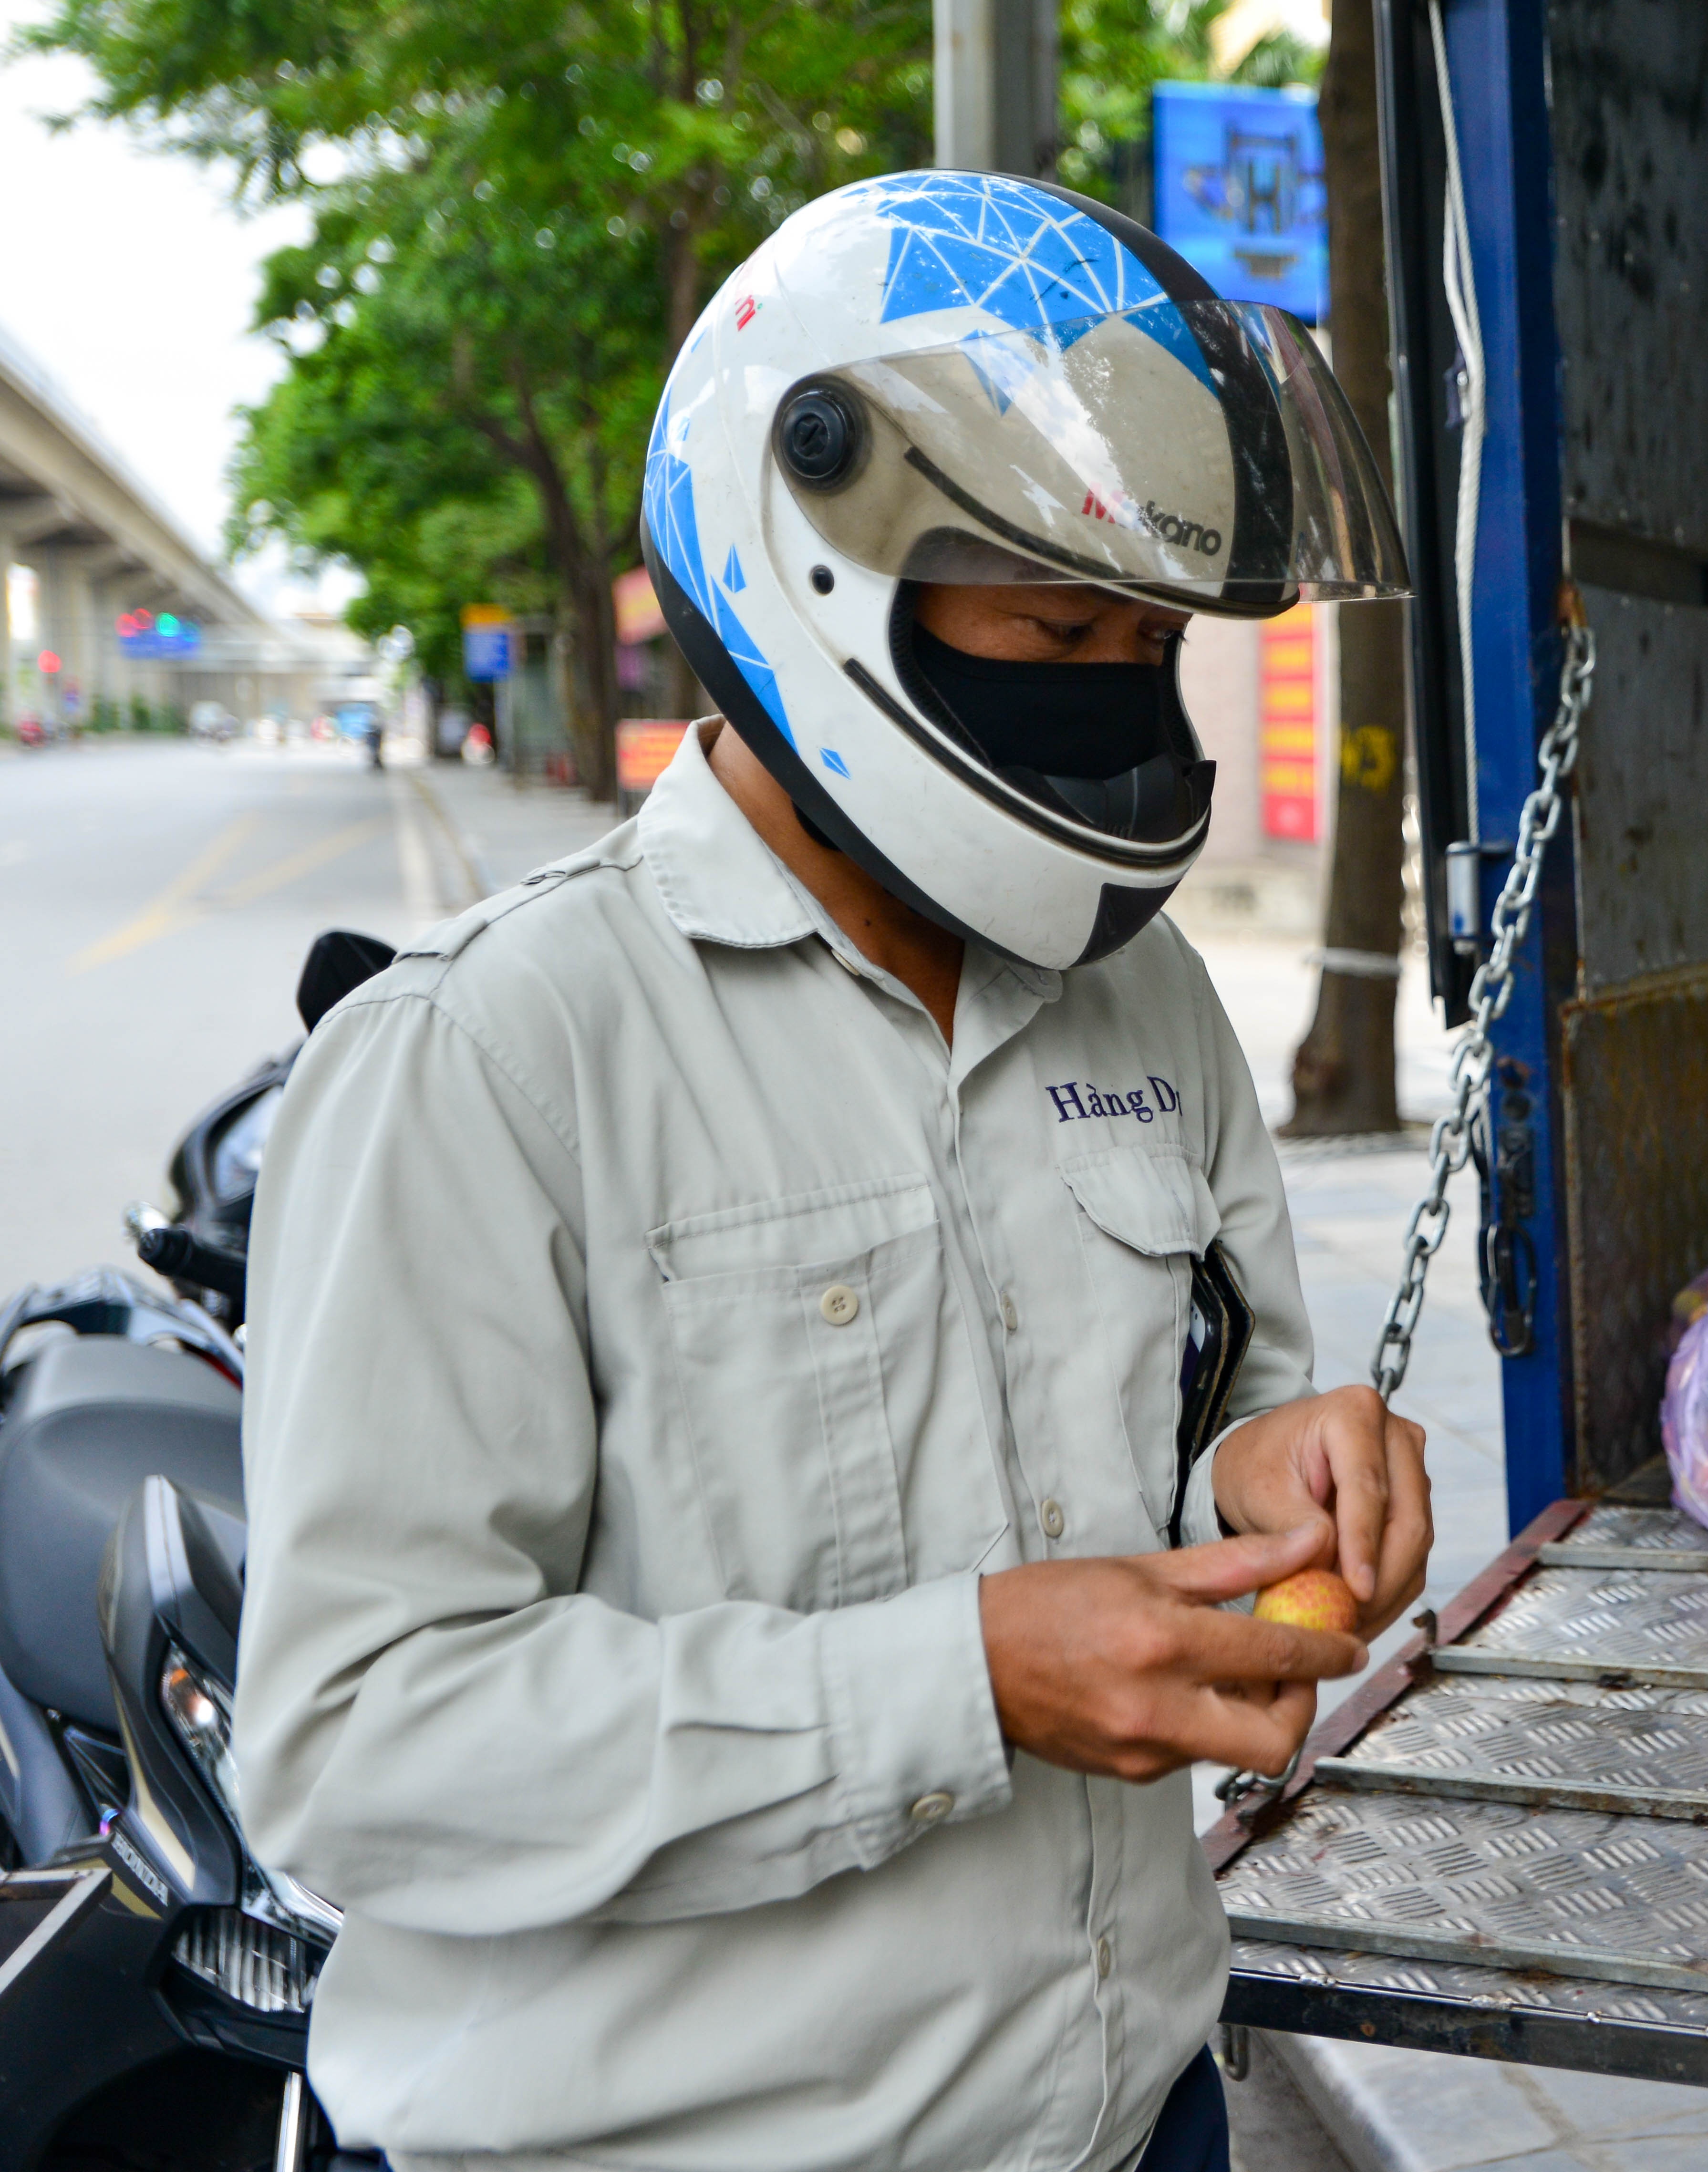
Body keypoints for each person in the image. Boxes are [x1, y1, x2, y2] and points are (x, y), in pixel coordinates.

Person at [237, 171, 1426, 2172]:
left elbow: (1210, 1396)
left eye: (1151, 641)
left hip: (1140, 2121)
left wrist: (1263, 1462)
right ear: (811, 565)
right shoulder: (491, 1055)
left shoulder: (1143, 1010)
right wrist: (958, 1676)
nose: (1118, 696)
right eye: (1058, 624)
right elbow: (360, 1743)